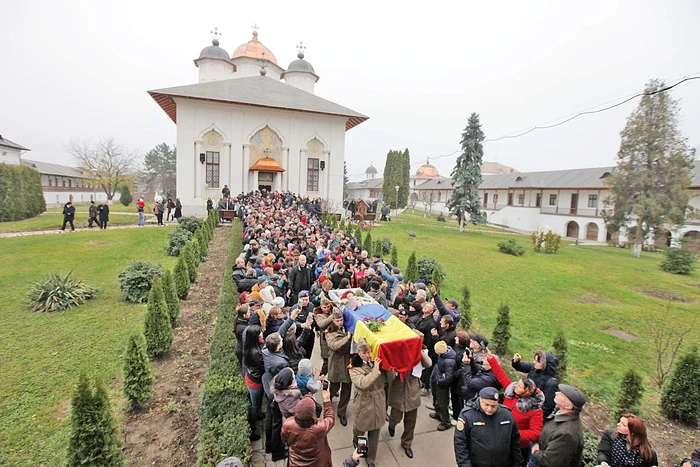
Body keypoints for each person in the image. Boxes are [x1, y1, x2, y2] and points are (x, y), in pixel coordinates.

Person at [486, 349, 544, 466]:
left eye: (519, 386)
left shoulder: (535, 410)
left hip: (517, 446)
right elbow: (501, 375)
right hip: (500, 439)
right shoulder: (512, 392)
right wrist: (491, 359)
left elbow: (536, 433)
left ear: (526, 392)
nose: (515, 386)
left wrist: (513, 433)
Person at [349, 338, 395, 467]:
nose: (368, 355)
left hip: (379, 400)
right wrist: (376, 369)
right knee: (360, 429)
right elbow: (363, 384)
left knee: (375, 432)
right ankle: (357, 441)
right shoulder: (354, 366)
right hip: (364, 401)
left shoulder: (377, 361)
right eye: (364, 353)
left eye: (369, 352)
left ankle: (371, 459)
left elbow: (391, 379)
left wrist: (387, 366)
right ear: (358, 352)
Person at [454, 386, 523, 467]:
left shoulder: (506, 415)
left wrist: (517, 463)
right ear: (480, 400)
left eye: (493, 406)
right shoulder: (467, 415)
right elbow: (460, 443)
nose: (489, 409)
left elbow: (515, 441)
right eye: (486, 404)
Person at [387, 346, 432, 458]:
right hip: (398, 389)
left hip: (412, 391)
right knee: (396, 416)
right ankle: (392, 425)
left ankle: (406, 443)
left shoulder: (419, 353)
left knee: (411, 421)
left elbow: (428, 363)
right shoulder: (397, 352)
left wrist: (419, 351)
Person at [531, 384, 586, 467]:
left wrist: (536, 452)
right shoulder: (559, 413)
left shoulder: (567, 434)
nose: (556, 393)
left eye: (561, 394)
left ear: (568, 406)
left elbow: (551, 462)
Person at [281, 390, 335, 467]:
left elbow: (285, 439)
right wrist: (326, 400)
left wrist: (306, 398)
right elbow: (330, 418)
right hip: (317, 462)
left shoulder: (288, 424)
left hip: (296, 462)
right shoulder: (320, 427)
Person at [512, 350, 560, 418]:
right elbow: (521, 366)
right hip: (524, 404)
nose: (534, 362)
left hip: (533, 414)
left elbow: (548, 407)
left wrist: (533, 416)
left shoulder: (551, 384)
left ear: (544, 365)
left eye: (537, 361)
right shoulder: (535, 368)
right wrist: (516, 362)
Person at [326, 310, 353, 427]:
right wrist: (347, 338)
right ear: (333, 320)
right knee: (334, 387)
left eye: (341, 320)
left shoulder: (349, 326)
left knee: (346, 390)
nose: (340, 322)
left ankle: (342, 412)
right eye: (337, 320)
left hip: (348, 362)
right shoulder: (330, 331)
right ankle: (328, 404)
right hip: (336, 363)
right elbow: (334, 345)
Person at [243, 324, 264, 442]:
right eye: (259, 333)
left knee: (256, 403)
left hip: (250, 377)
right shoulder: (256, 352)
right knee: (254, 406)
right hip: (256, 382)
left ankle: (259, 415)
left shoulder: (249, 347)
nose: (261, 334)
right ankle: (252, 429)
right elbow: (262, 366)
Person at [430, 340, 457, 431]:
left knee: (442, 403)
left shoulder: (449, 361)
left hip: (442, 385)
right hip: (438, 380)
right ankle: (438, 414)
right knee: (436, 399)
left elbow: (448, 378)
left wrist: (439, 381)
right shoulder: (443, 355)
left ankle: (446, 421)